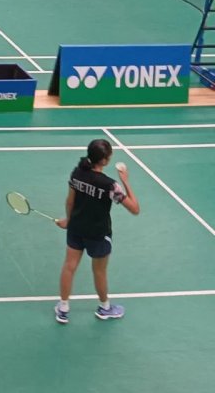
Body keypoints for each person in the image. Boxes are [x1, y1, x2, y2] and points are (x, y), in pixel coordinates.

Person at [54, 139, 140, 324]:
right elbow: (135, 209)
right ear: (105, 161)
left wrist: (68, 220)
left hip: (76, 229)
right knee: (99, 271)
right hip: (98, 235)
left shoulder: (77, 173)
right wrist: (125, 181)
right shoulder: (110, 185)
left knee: (69, 266)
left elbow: (70, 201)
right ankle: (105, 308)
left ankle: (63, 308)